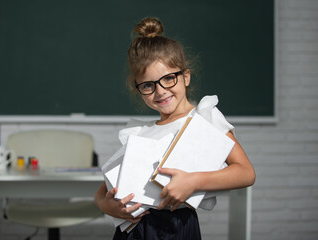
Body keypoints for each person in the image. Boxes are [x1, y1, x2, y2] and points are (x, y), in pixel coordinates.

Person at [94, 17, 256, 240]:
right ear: (138, 90)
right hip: (133, 230)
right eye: (148, 85)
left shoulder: (204, 119)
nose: (160, 92)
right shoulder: (141, 133)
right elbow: (102, 193)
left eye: (168, 79)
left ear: (185, 76)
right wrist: (108, 207)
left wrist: (194, 181)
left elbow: (245, 173)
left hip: (175, 229)